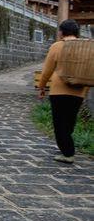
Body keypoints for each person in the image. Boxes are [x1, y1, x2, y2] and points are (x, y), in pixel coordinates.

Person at [38, 19, 89, 164]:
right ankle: (66, 145)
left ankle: (68, 153)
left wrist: (42, 86)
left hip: (59, 90)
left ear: (62, 32)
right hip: (79, 91)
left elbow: (47, 70)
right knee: (70, 121)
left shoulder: (57, 46)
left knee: (59, 122)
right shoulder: (85, 47)